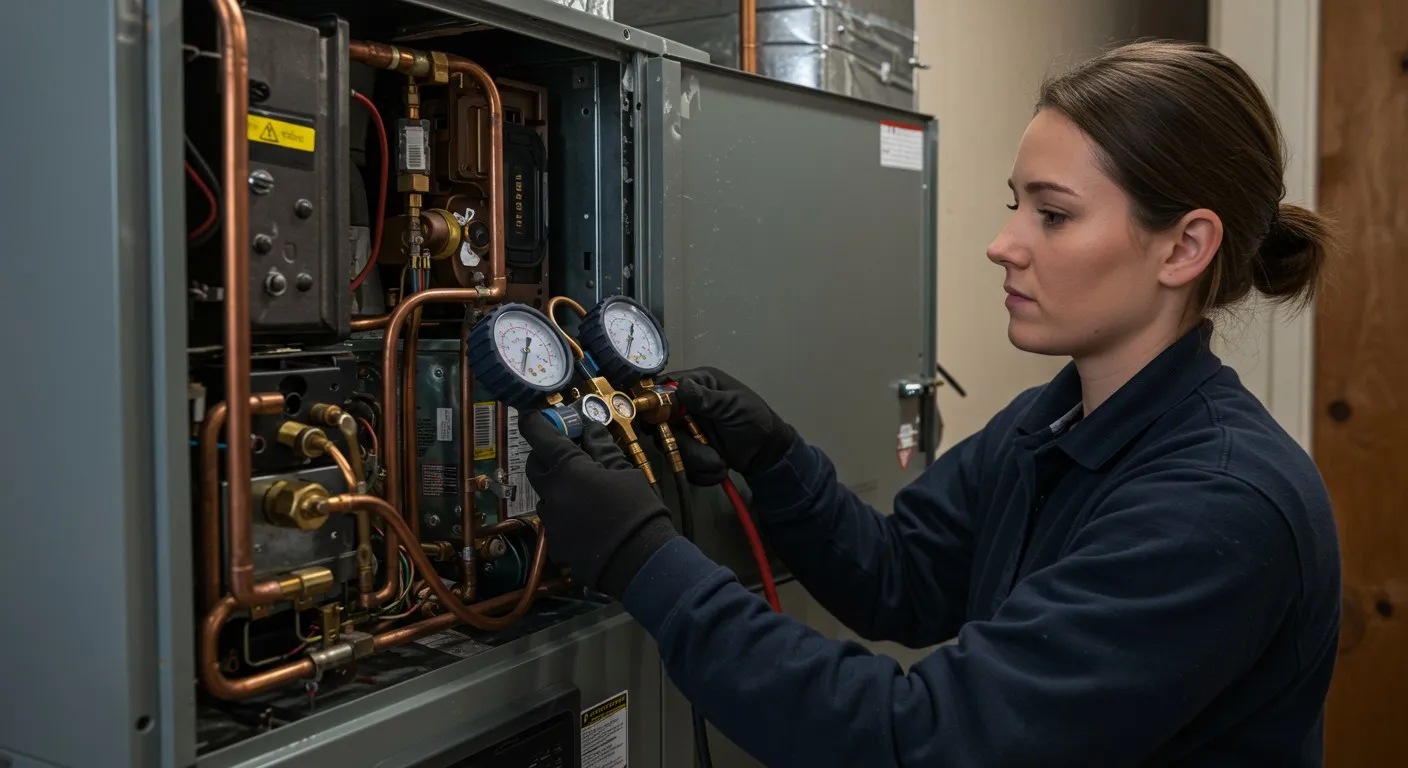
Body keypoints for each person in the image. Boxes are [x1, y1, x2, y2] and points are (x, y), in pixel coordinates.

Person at [518, 40, 1341, 766]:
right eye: (1016, 202)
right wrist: (775, 458)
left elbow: (921, 742)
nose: (1003, 243)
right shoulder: (1051, 423)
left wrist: (642, 558)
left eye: (1054, 215)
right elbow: (901, 578)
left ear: (1185, 246)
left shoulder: (1219, 506)